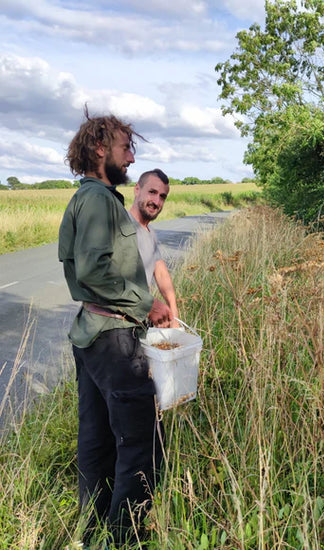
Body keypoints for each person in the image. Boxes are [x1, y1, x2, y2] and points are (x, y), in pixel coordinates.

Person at [58, 107, 173, 546]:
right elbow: (90, 272)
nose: (130, 158)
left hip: (96, 335)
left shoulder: (99, 201)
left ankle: (94, 533)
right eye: (126, 148)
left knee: (99, 441)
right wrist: (147, 305)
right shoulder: (96, 201)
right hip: (111, 340)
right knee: (141, 441)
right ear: (100, 148)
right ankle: (123, 538)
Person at [128, 169, 179, 327]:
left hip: (139, 322)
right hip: (116, 325)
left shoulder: (150, 233)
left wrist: (174, 316)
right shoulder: (121, 225)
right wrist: (151, 306)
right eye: (152, 192)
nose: (156, 201)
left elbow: (161, 272)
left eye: (162, 196)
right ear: (137, 189)